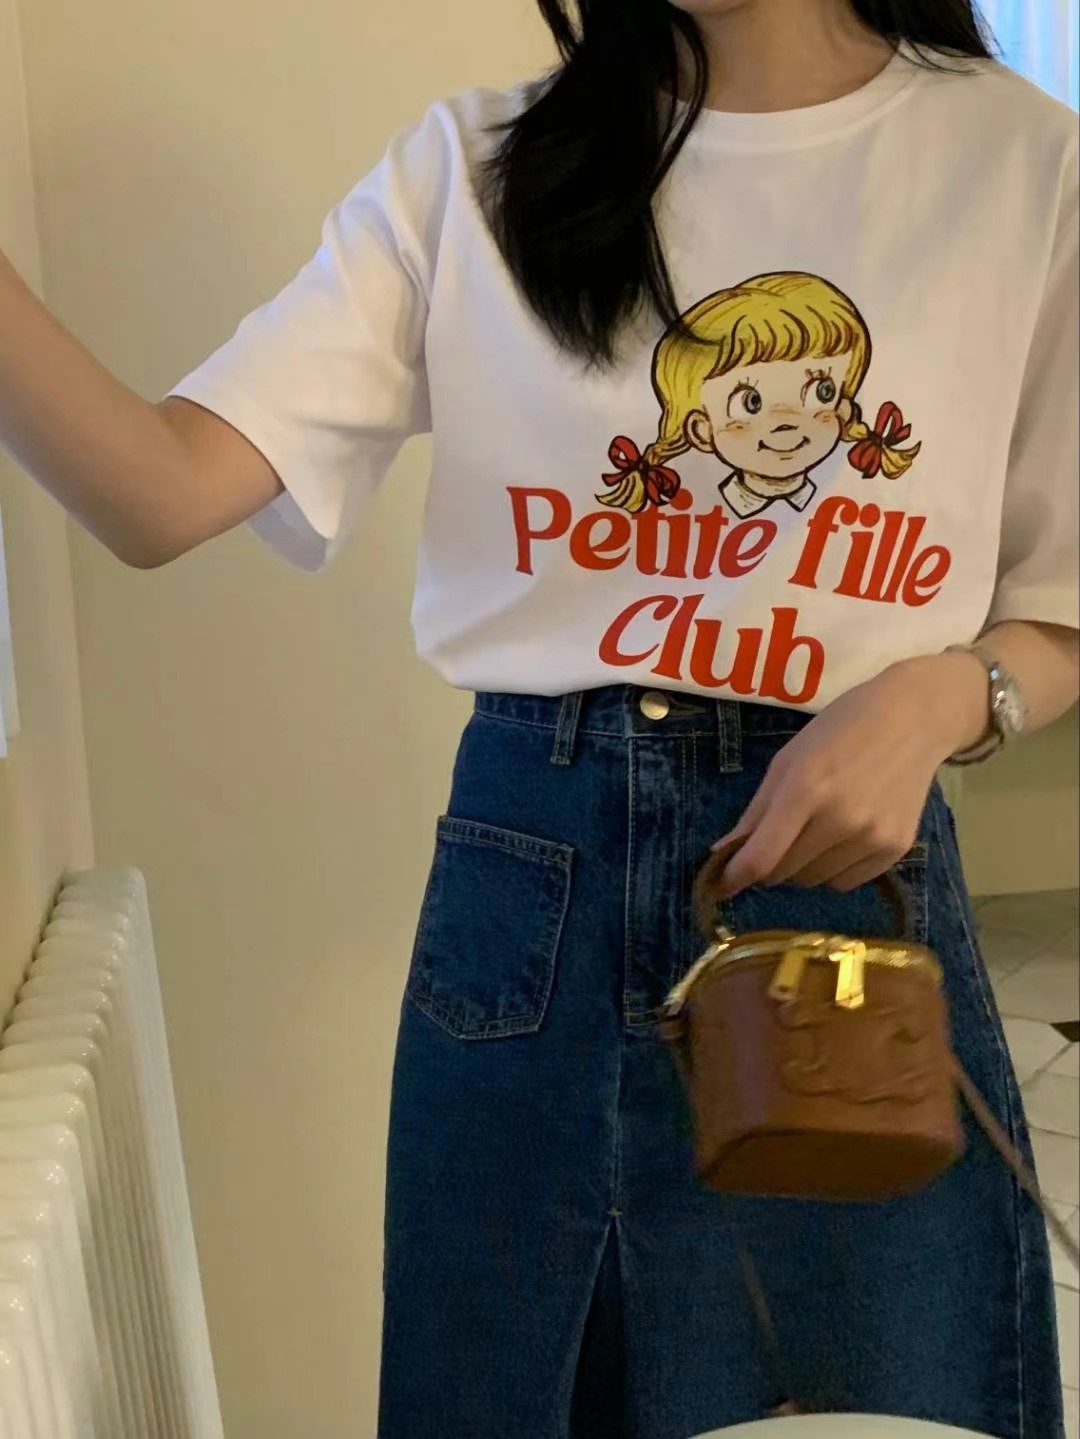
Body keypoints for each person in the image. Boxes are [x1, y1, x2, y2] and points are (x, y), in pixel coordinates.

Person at [1, 0, 1077, 1432]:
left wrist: (946, 694)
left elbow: (1063, 597)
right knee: (500, 1393)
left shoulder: (1022, 164)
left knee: (877, 1399)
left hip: (835, 896)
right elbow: (158, 491)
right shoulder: (479, 167)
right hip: (535, 884)